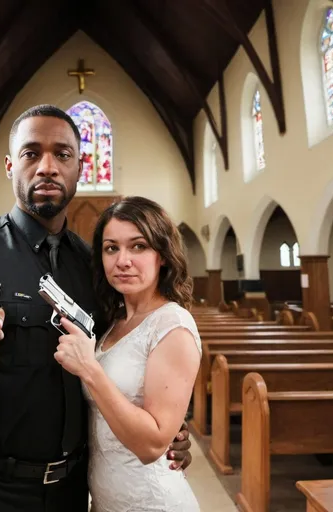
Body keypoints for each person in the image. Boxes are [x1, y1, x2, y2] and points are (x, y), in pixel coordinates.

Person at [0, 105, 192, 512]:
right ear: (10, 164)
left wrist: (169, 427)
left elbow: (119, 356)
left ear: (80, 167)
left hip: (70, 492)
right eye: (32, 153)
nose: (47, 166)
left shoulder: (92, 268)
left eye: (62, 154)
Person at [54, 196, 202, 511]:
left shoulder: (173, 324)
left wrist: (89, 370)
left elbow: (151, 445)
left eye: (138, 246)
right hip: (106, 501)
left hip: (151, 502)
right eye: (111, 248)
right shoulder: (113, 322)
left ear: (162, 255)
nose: (123, 260)